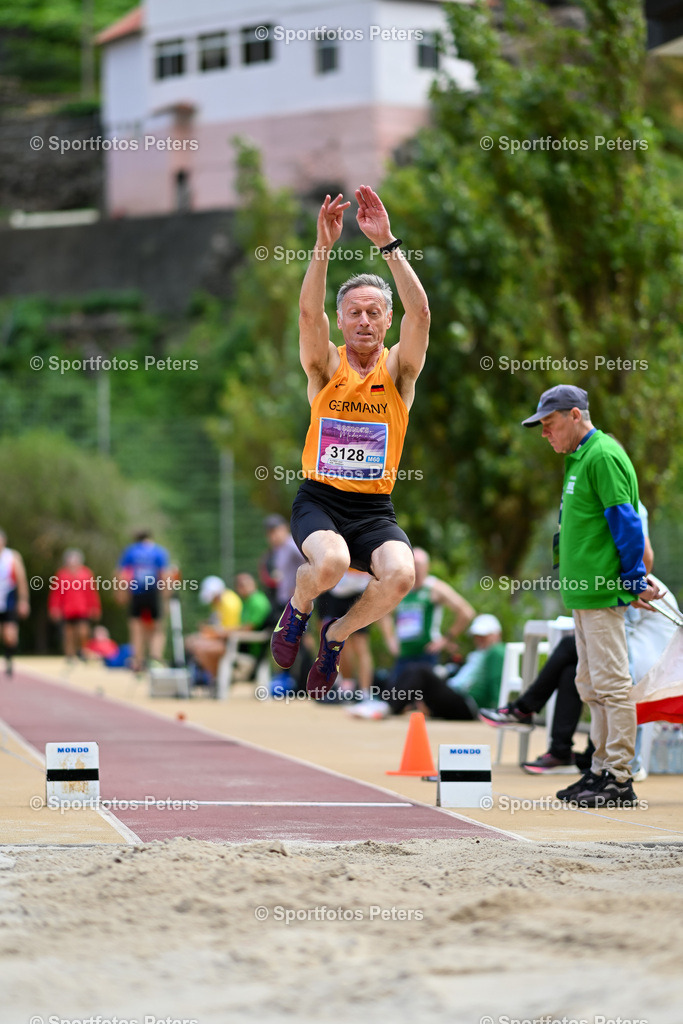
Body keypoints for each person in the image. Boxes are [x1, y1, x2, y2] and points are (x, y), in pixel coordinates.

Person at [270, 185, 430, 699]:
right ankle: (297, 609)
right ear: (341, 321)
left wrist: (388, 244)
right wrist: (322, 247)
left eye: (373, 313)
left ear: (387, 321)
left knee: (402, 576)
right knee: (333, 564)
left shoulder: (400, 371)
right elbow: (306, 316)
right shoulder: (327, 366)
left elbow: (422, 316)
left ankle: (334, 636)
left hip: (374, 508)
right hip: (320, 499)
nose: (364, 320)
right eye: (354, 313)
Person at [521, 384, 663, 807]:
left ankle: (619, 778)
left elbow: (627, 521)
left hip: (602, 593)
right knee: (591, 684)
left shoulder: (601, 455)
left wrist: (634, 579)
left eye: (549, 425)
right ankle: (599, 769)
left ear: (575, 415)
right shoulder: (579, 457)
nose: (545, 434)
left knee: (613, 686)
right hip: (584, 595)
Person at [480, 507, 658, 775]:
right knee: (576, 670)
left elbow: (644, 552)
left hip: (640, 631)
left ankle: (622, 766)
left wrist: (632, 583)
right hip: (605, 597)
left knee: (605, 680)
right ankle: (569, 752)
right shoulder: (590, 490)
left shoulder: (614, 488)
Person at [374, 612, 505, 720]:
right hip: (456, 694)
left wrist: (496, 712)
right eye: (477, 636)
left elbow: (497, 681)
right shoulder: (478, 653)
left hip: (468, 704)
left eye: (484, 635)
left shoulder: (496, 651)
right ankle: (386, 703)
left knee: (420, 671)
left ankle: (388, 707)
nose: (479, 639)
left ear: (496, 634)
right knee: (412, 669)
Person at [116, 530, 172, 672]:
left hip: (137, 593)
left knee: (136, 628)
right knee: (157, 629)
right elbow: (165, 575)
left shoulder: (130, 551)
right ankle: (155, 659)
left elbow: (122, 574)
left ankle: (137, 661)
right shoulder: (159, 551)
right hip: (153, 593)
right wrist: (166, 597)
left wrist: (121, 593)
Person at [317, 569, 374, 696]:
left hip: (359, 591)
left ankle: (365, 693)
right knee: (339, 643)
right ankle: (347, 686)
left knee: (360, 645)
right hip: (337, 593)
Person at [48, 549, 101, 664]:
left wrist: (95, 607)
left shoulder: (86, 573)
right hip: (67, 609)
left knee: (83, 632)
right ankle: (70, 656)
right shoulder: (61, 574)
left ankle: (82, 651)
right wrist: (54, 607)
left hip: (82, 609)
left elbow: (92, 592)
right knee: (68, 634)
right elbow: (56, 593)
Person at [0, 529, 30, 676]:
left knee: (10, 635)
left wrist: (23, 601)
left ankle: (9, 660)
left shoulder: (12, 557)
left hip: (9, 600)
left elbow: (21, 581)